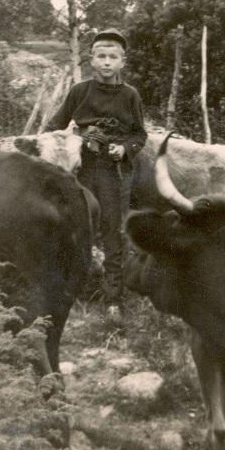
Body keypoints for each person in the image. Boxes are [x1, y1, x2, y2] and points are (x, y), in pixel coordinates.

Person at [45, 28, 147, 313]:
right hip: (81, 169)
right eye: (101, 56)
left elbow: (140, 135)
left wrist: (124, 149)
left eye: (112, 57)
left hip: (113, 173)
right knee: (77, 227)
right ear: (91, 59)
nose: (106, 62)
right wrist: (79, 135)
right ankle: (75, 290)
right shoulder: (80, 92)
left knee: (113, 231)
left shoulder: (130, 96)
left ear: (122, 62)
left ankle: (113, 298)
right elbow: (54, 127)